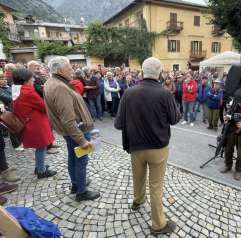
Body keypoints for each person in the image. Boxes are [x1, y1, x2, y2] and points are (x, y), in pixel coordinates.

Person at [115, 57, 181, 235]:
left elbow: (118, 124)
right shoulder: (164, 93)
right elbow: (175, 119)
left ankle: (137, 201)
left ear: (142, 73)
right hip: (158, 147)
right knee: (156, 185)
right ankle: (158, 224)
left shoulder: (129, 92)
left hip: (136, 146)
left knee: (138, 176)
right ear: (159, 73)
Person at [44, 56, 100, 202]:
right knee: (81, 160)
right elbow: (68, 120)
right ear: (61, 70)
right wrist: (82, 141)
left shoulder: (53, 82)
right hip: (77, 131)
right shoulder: (59, 87)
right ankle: (81, 192)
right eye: (69, 68)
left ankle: (76, 184)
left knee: (73, 158)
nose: (72, 71)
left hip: (71, 132)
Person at [12, 68, 57, 179]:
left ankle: (39, 166)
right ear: (25, 79)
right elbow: (43, 106)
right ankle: (41, 171)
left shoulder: (17, 89)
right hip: (36, 124)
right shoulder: (28, 91)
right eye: (31, 77)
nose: (33, 79)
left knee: (40, 147)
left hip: (29, 122)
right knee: (41, 146)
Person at [28, 60, 60, 155]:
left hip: (45, 101)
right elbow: (38, 88)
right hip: (39, 104)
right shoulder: (30, 77)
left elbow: (45, 85)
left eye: (38, 66)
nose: (37, 67)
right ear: (30, 67)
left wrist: (45, 86)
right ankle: (47, 146)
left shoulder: (39, 75)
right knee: (45, 127)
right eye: (35, 66)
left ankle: (50, 143)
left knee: (49, 125)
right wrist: (45, 87)